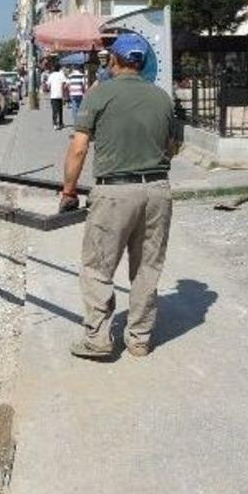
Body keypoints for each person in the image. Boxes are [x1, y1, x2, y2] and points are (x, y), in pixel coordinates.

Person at [59, 34, 179, 360]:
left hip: (113, 193)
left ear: (114, 60)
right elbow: (173, 147)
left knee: (98, 266)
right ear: (140, 63)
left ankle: (98, 338)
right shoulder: (162, 97)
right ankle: (139, 339)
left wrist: (68, 191)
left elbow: (79, 148)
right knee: (146, 268)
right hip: (157, 192)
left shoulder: (99, 95)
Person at [46, 62, 67, 130]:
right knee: (60, 110)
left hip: (53, 95)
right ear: (59, 68)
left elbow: (48, 86)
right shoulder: (61, 75)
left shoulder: (51, 75)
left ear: (53, 68)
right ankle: (60, 123)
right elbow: (64, 84)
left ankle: (55, 124)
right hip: (60, 95)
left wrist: (50, 89)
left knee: (54, 110)